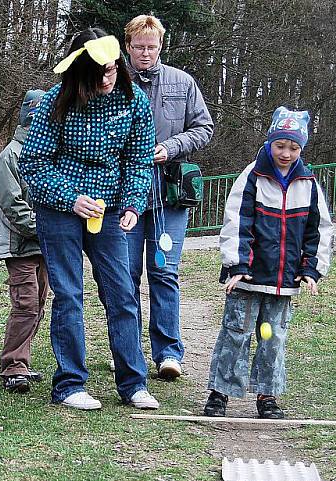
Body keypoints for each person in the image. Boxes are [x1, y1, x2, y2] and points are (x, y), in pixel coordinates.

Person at [18, 28, 160, 411]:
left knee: (122, 293)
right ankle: (70, 384)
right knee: (68, 294)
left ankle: (133, 384)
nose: (108, 78)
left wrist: (132, 205)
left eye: (113, 70)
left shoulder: (135, 102)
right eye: (100, 72)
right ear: (81, 72)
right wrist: (70, 198)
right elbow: (33, 162)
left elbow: (138, 159)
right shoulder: (55, 102)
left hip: (111, 209)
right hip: (61, 209)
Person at [202, 107, 333, 419]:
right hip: (247, 277)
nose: (285, 153)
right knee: (236, 333)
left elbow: (319, 231)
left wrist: (310, 270)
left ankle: (267, 396)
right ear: (270, 142)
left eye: (293, 148)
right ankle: (220, 394)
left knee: (272, 339)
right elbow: (236, 222)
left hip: (284, 281)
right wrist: (236, 265)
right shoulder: (251, 177)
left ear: (302, 148)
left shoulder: (309, 183)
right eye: (280, 146)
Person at [119, 15, 214, 380]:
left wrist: (172, 146)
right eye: (139, 47)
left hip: (169, 195)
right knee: (124, 276)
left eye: (152, 47)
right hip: (123, 193)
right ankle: (127, 350)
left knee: (164, 271)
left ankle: (169, 352)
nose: (146, 53)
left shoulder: (183, 82)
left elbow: (204, 128)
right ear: (128, 46)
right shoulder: (115, 82)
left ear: (162, 45)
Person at [0, 89, 48, 394]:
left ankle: (20, 359)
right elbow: (13, 207)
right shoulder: (10, 156)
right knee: (25, 303)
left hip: (44, 247)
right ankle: (13, 364)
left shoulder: (49, 153)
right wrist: (47, 228)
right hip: (20, 245)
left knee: (37, 304)